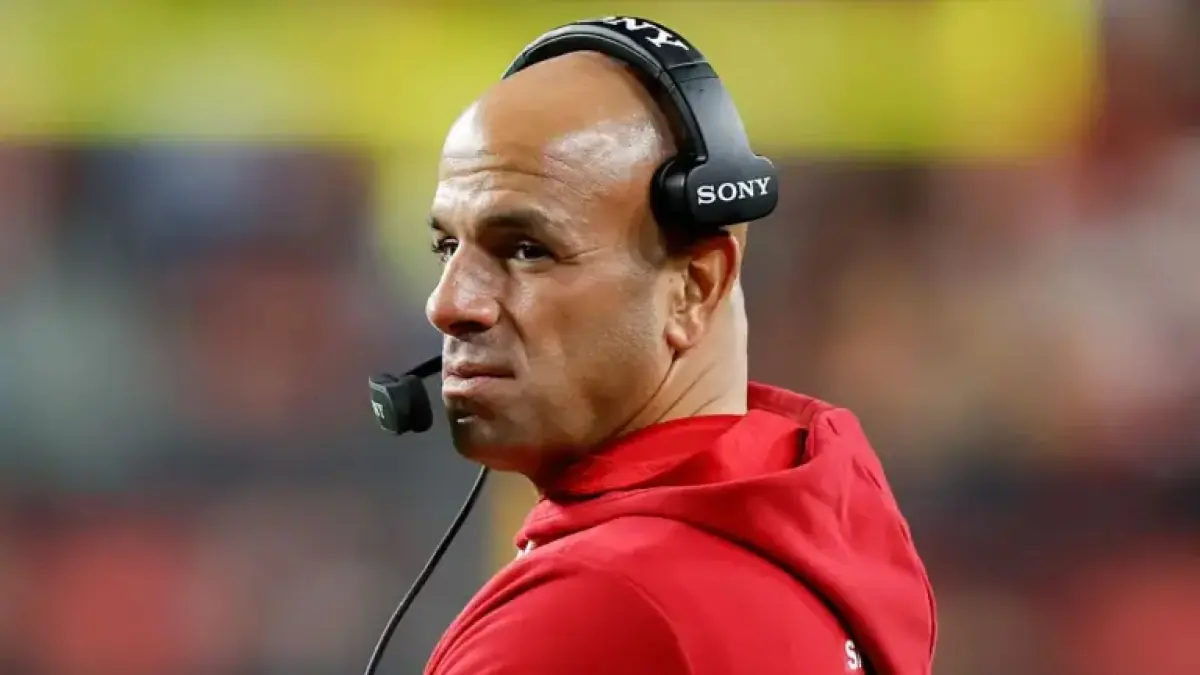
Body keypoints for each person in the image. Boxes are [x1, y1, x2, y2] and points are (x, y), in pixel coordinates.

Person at [421, 38, 937, 675]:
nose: (448, 304)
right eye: (447, 248)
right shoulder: (810, 550)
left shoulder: (590, 613)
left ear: (694, 290)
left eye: (527, 250)